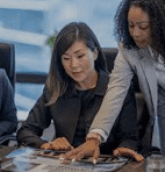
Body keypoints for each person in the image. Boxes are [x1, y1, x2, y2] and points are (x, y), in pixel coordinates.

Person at [61, 0, 165, 163]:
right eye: (131, 25)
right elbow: (116, 89)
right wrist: (94, 137)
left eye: (143, 26)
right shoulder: (128, 50)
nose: (135, 33)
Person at [17, 22, 144, 162]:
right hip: (65, 163)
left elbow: (130, 139)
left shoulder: (117, 88)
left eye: (80, 56)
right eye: (66, 58)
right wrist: (47, 145)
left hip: (101, 163)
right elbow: (26, 131)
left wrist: (121, 151)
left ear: (94, 53)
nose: (74, 65)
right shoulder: (56, 88)